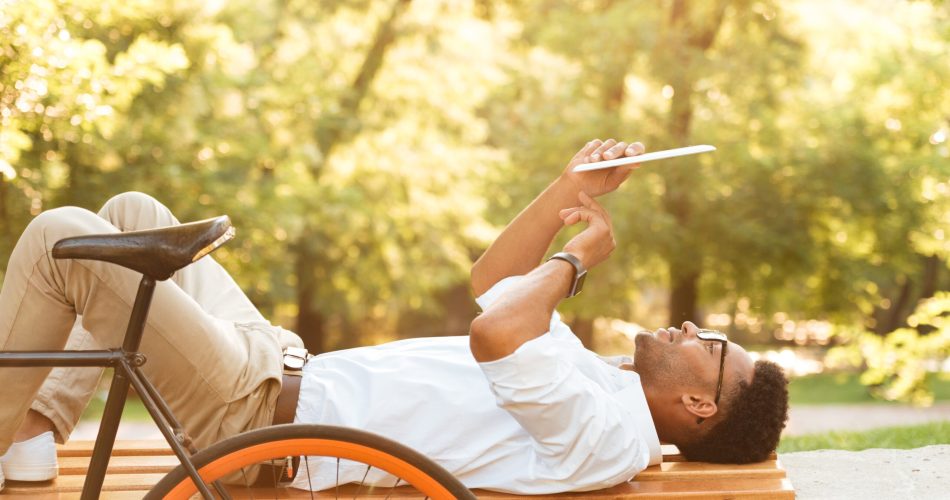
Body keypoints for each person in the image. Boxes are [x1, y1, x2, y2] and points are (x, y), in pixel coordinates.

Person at [0, 139, 789, 494]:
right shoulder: (601, 388)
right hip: (272, 370)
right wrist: (569, 188)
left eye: (710, 344)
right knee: (130, 212)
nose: (690, 328)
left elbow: (497, 330)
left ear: (700, 404)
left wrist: (579, 261)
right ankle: (33, 431)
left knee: (56, 239)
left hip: (252, 421)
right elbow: (494, 283)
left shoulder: (605, 432)